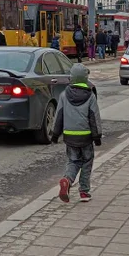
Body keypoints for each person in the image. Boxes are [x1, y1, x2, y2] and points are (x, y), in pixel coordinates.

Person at [51, 63, 102, 203]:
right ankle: (84, 192)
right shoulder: (90, 96)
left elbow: (58, 116)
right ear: (85, 78)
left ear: (71, 78)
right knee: (87, 162)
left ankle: (67, 180)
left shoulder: (63, 95)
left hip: (69, 135)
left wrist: (55, 134)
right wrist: (97, 136)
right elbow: (94, 117)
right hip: (85, 135)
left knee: (73, 160)